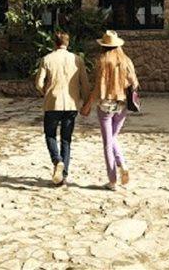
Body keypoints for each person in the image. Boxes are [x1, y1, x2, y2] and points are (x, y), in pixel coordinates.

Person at [81, 30, 139, 191]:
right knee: (113, 138)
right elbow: (134, 84)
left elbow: (98, 87)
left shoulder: (103, 61)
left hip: (105, 105)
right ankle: (123, 165)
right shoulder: (126, 61)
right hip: (122, 105)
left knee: (108, 143)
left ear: (104, 47)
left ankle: (112, 180)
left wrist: (88, 104)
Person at [35, 31, 91, 186]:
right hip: (71, 104)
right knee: (66, 139)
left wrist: (44, 91)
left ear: (55, 43)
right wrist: (87, 102)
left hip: (52, 103)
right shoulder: (77, 60)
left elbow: (39, 83)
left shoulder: (47, 59)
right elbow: (85, 84)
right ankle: (63, 176)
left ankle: (57, 160)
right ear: (68, 43)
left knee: (50, 135)